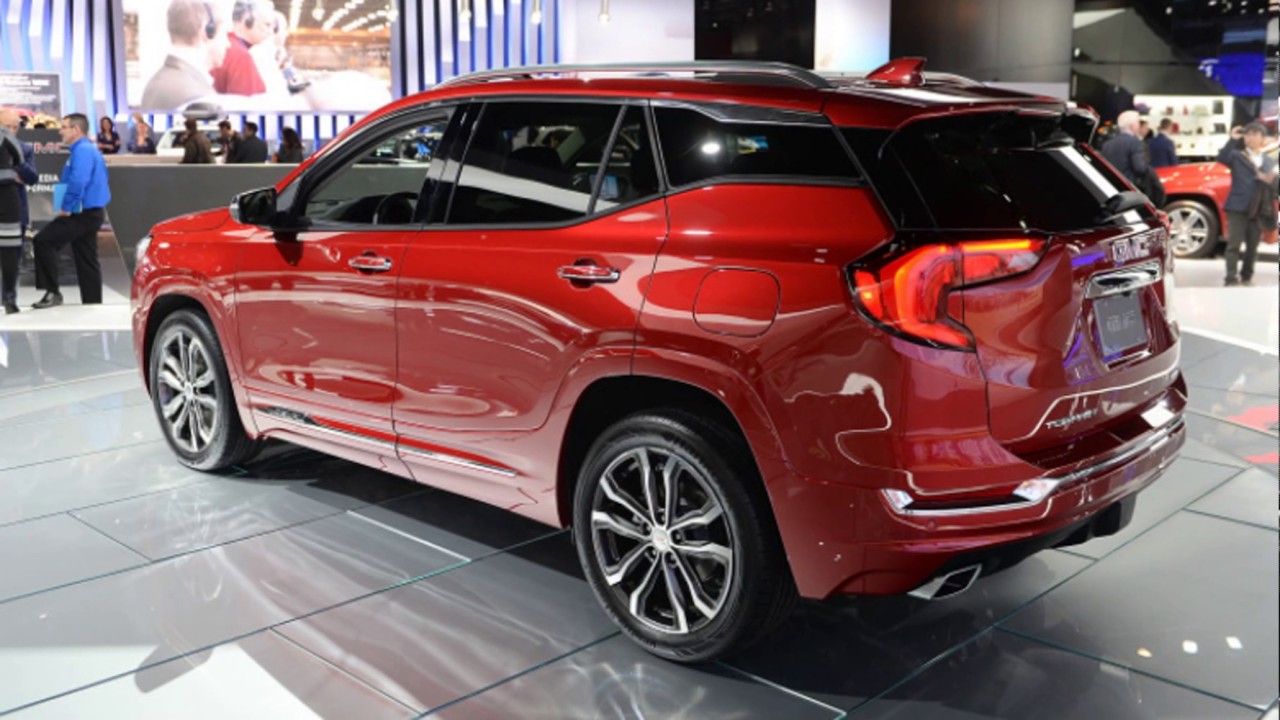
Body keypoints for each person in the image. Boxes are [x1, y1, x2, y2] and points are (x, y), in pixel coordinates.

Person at [31, 113, 111, 309]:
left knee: (43, 241)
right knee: (86, 257)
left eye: (64, 127)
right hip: (90, 212)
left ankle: (52, 292)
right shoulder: (85, 149)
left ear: (76, 129)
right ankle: (92, 302)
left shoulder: (83, 151)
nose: (60, 131)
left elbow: (78, 181)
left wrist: (66, 207)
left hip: (81, 213)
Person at [1217, 122, 1279, 287]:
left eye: (1255, 134)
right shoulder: (1237, 156)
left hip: (1259, 208)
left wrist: (1271, 180)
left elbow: (1274, 185)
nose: (1250, 138)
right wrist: (1232, 139)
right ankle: (1231, 278)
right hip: (1238, 207)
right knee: (1234, 244)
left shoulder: (1268, 160)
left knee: (1253, 246)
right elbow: (1222, 158)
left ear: (1262, 138)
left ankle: (1247, 276)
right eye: (1248, 134)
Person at [140, 0, 230, 111]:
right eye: (225, 34)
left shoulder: (153, 85)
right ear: (206, 31)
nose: (228, 43)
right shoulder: (201, 99)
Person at [0, 108, 39, 314]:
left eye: (15, 127)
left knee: (12, 257)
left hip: (15, 210)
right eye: (7, 126)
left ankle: (9, 298)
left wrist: (17, 167)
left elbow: (32, 177)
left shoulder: (23, 148)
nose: (11, 131)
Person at [211, 0, 272, 96]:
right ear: (248, 20)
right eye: (267, 25)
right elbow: (247, 103)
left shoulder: (223, 44)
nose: (270, 32)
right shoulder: (241, 56)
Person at [1101, 110, 1150, 186]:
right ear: (1133, 125)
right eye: (1138, 122)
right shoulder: (1135, 142)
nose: (1138, 125)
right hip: (1128, 186)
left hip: (1109, 186)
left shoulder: (1107, 144)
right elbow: (1140, 168)